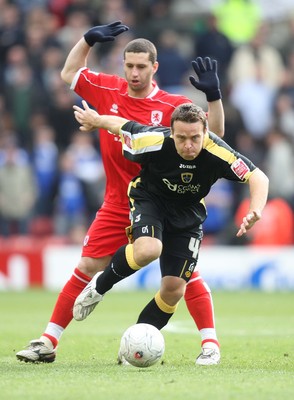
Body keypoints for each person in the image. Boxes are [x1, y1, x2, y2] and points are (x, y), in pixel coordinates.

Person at [16, 21, 224, 366]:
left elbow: (213, 139)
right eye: (129, 65)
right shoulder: (106, 89)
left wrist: (214, 97)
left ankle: (209, 344)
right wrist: (86, 40)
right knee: (85, 266)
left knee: (183, 276)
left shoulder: (172, 106)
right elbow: (69, 72)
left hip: (165, 200)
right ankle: (48, 341)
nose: (134, 73)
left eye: (141, 66)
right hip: (117, 200)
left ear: (154, 68)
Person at [72, 101, 269, 366]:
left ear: (205, 132)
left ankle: (134, 346)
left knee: (174, 289)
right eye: (181, 138)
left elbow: (259, 178)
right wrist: (96, 120)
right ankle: (99, 286)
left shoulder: (218, 151)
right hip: (150, 201)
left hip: (187, 215)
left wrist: (255, 210)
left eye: (195, 138)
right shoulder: (154, 139)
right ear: (171, 133)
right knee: (148, 249)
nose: (188, 145)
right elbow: (122, 126)